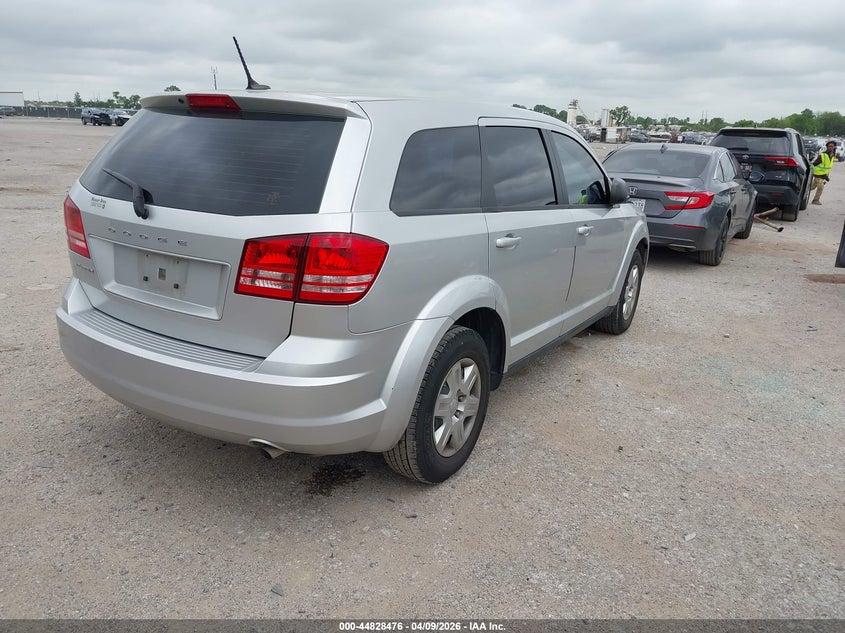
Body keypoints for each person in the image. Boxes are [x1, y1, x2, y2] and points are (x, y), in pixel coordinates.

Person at [809, 140, 836, 205]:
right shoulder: (823, 155)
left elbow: (827, 167)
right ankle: (815, 200)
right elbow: (815, 163)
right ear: (827, 147)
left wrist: (826, 176)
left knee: (811, 187)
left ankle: (800, 192)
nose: (831, 147)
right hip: (818, 174)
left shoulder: (832, 155)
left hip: (823, 175)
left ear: (834, 147)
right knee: (820, 187)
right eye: (829, 146)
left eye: (832, 146)